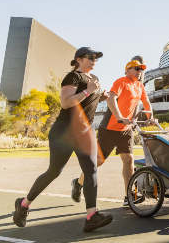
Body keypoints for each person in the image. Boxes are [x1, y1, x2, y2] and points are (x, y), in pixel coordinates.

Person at [13, 47, 113, 232]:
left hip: (85, 130)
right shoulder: (73, 77)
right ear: (79, 60)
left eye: (96, 58)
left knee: (91, 170)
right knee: (54, 171)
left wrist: (100, 97)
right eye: (90, 57)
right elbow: (66, 102)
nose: (94, 60)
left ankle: (91, 216)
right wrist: (89, 91)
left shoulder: (94, 80)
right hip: (65, 131)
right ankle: (24, 204)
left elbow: (86, 103)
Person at [71, 59, 157, 206]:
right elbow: (111, 98)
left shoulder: (140, 86)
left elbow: (147, 103)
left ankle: (129, 196)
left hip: (126, 129)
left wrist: (150, 118)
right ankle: (78, 183)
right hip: (109, 128)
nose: (139, 71)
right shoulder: (121, 81)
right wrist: (119, 117)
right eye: (136, 68)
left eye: (141, 69)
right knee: (99, 161)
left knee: (128, 160)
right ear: (128, 70)